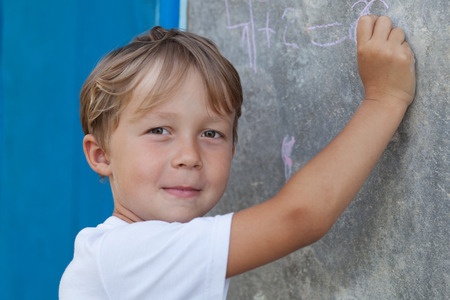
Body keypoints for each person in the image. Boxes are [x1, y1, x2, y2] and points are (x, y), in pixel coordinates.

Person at [59, 15, 415, 299]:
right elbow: (300, 216)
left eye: (211, 134)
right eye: (159, 131)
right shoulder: (127, 254)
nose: (189, 156)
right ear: (101, 154)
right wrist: (384, 99)